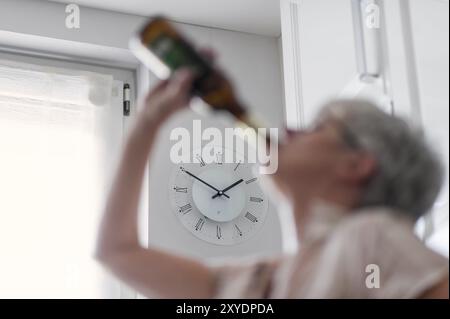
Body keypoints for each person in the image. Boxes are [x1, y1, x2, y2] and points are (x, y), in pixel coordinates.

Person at [96, 63, 449, 298]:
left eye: (318, 128)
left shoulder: (372, 237)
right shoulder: (264, 283)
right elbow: (117, 253)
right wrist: (146, 122)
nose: (290, 130)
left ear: (356, 166)